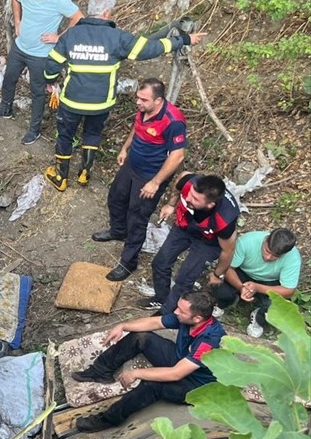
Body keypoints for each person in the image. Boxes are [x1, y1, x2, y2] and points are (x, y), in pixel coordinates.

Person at [41, 0, 204, 192]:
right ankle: (84, 173)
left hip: (72, 101)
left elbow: (53, 63)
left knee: (65, 135)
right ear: (107, 13)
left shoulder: (72, 35)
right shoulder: (118, 37)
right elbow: (151, 49)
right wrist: (184, 39)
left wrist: (50, 81)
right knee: (92, 133)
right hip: (101, 102)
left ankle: (61, 177)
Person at [71, 291, 222, 432]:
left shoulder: (210, 341)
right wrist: (122, 326)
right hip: (181, 360)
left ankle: (108, 419)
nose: (176, 312)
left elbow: (176, 374)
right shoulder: (187, 318)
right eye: (177, 307)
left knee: (152, 385)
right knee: (141, 336)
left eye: (181, 311)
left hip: (196, 385)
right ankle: (99, 372)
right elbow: (154, 323)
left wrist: (137, 373)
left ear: (197, 318)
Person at [95, 78, 187, 282]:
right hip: (132, 165)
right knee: (116, 198)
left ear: (159, 100)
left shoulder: (173, 121)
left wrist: (155, 182)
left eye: (144, 100)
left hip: (150, 174)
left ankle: (128, 262)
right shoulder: (143, 109)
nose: (139, 103)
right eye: (138, 98)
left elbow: (177, 156)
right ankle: (118, 231)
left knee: (137, 217)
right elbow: (137, 128)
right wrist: (125, 148)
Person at [0, 0, 82, 145]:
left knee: (38, 91)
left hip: (41, 54)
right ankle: (6, 109)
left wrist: (59, 37)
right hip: (20, 47)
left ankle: (34, 130)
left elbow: (78, 17)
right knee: (9, 79)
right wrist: (17, 22)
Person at [149, 173, 239, 314]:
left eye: (195, 199)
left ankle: (167, 313)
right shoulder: (189, 182)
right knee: (160, 263)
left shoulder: (225, 219)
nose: (188, 198)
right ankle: (161, 298)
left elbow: (228, 250)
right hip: (184, 227)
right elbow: (180, 180)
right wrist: (170, 204)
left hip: (208, 242)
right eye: (190, 194)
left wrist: (217, 274)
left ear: (210, 204)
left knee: (184, 278)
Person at [213, 228, 301, 337]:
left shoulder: (293, 258)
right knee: (220, 289)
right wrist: (241, 287)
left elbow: (289, 290)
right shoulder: (248, 241)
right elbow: (228, 268)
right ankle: (224, 303)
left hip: (269, 282)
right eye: (267, 251)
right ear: (266, 240)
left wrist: (257, 287)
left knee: (276, 305)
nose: (268, 257)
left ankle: (259, 318)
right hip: (243, 273)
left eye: (275, 256)